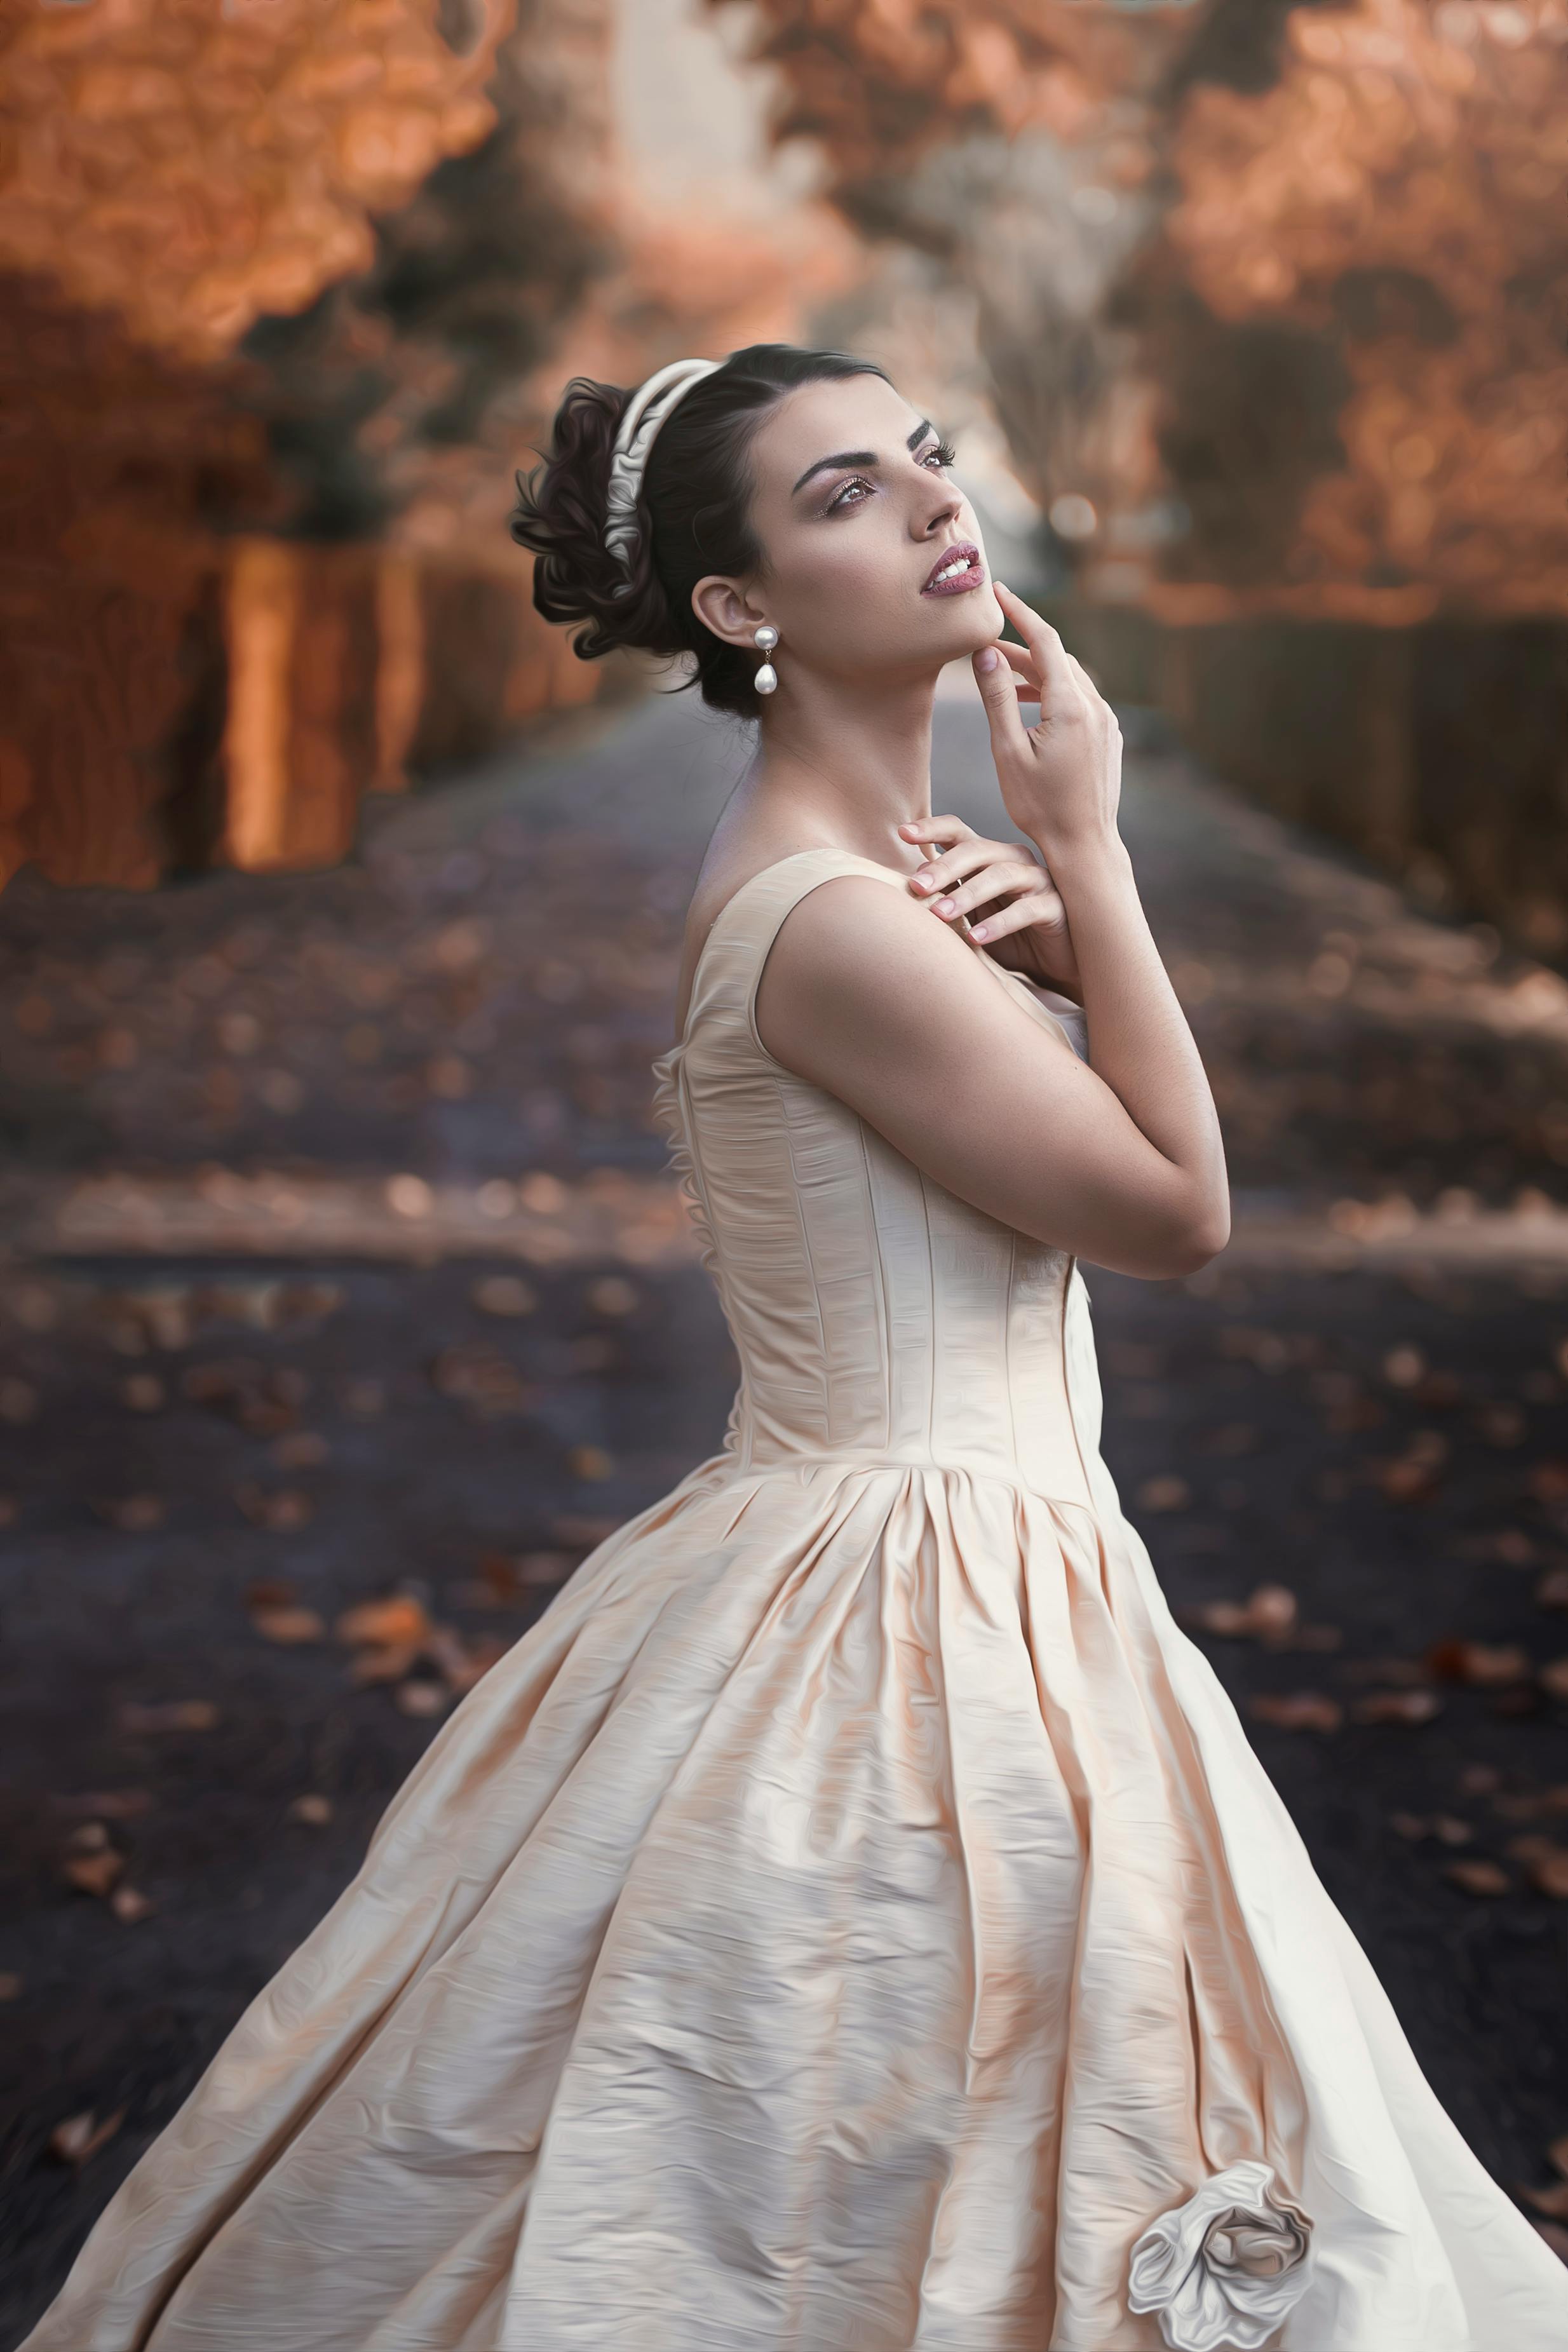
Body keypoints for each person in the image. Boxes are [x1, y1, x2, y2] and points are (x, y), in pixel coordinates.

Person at [23, 343, 1567, 2352]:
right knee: (842, 2156)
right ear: (740, 611)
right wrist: (1092, 861)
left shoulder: (874, 896)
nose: (933, 503)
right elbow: (1175, 1213)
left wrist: (1041, 936)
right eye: (844, 492)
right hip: (915, 1607)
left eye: (923, 457)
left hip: (968, 1569)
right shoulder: (829, 921)